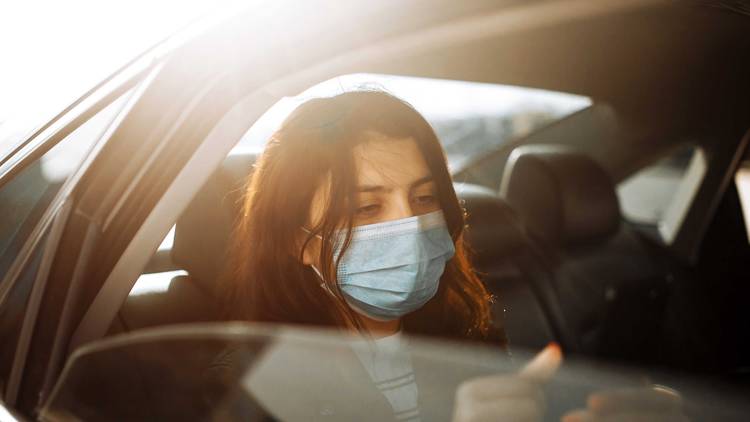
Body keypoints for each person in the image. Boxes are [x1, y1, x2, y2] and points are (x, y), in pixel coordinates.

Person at [217, 90, 684, 422]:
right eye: (365, 207)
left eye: (424, 199)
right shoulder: (249, 386)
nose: (411, 225)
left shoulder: (467, 338)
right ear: (299, 242)